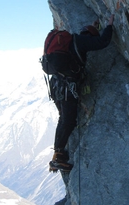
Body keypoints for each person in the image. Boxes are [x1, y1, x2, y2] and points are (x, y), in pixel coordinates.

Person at [49, 14, 114, 173]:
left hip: (55, 85)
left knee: (63, 118)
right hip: (66, 87)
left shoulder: (71, 40)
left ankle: (58, 155)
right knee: (69, 120)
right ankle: (58, 157)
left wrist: (93, 25)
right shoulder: (82, 42)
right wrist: (110, 25)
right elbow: (102, 42)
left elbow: (88, 34)